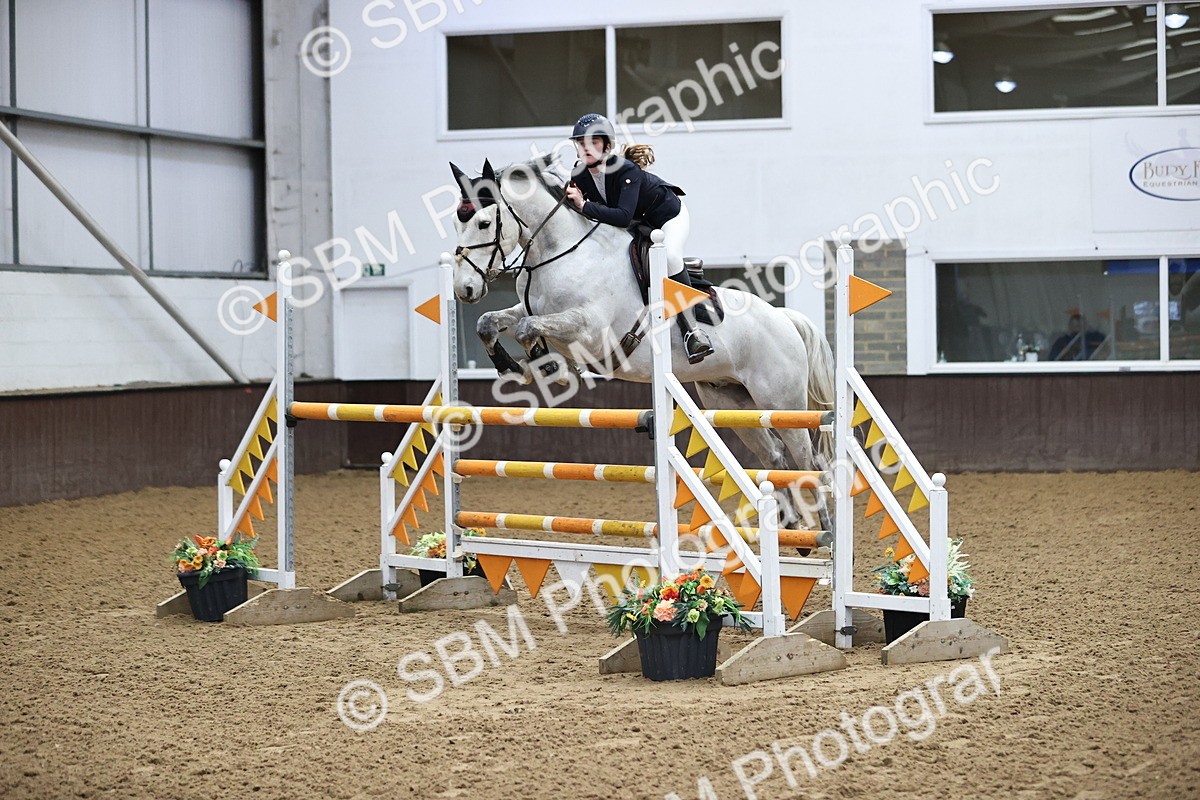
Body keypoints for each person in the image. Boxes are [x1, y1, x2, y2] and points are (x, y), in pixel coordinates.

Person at [564, 113, 714, 364]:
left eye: (592, 142)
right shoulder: (578, 175)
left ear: (607, 146)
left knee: (670, 256)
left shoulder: (626, 170)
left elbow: (622, 216)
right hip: (638, 224)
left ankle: (692, 332)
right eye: (580, 143)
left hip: (667, 217)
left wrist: (583, 206)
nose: (585, 148)